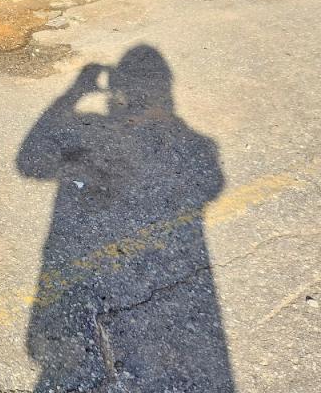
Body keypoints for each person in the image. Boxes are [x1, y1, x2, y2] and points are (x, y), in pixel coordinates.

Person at [17, 46, 234, 391]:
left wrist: (76, 91)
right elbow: (212, 185)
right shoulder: (198, 144)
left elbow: (28, 162)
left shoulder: (194, 143)